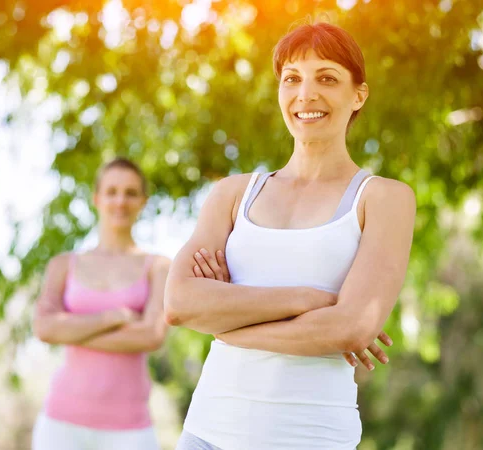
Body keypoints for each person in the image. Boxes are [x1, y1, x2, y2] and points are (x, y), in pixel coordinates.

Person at [164, 21, 416, 450]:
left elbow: (351, 327)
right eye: (292, 79)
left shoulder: (385, 199)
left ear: (358, 94)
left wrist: (226, 324)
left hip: (311, 439)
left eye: (327, 78)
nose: (306, 94)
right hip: (206, 434)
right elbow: (179, 303)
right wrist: (306, 300)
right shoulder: (231, 194)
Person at [32, 158, 171, 450]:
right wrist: (115, 316)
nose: (120, 200)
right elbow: (44, 329)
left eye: (131, 193)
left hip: (131, 429)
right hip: (61, 424)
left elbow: (151, 335)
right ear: (97, 198)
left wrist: (71, 329)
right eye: (112, 191)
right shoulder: (63, 265)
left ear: (143, 202)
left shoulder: (157, 266)